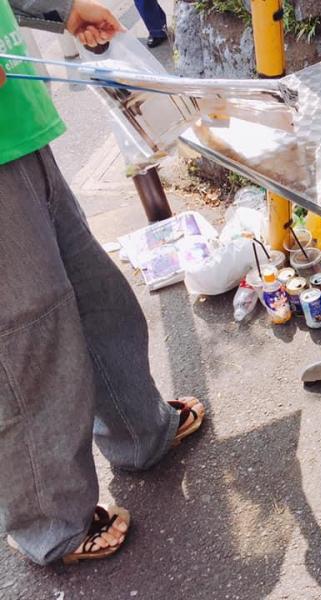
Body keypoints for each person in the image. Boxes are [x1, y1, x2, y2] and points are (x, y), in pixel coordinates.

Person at [0, 0, 204, 565]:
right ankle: (50, 524)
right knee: (26, 346)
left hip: (19, 128)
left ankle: (140, 431)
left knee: (97, 297)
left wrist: (62, 9)